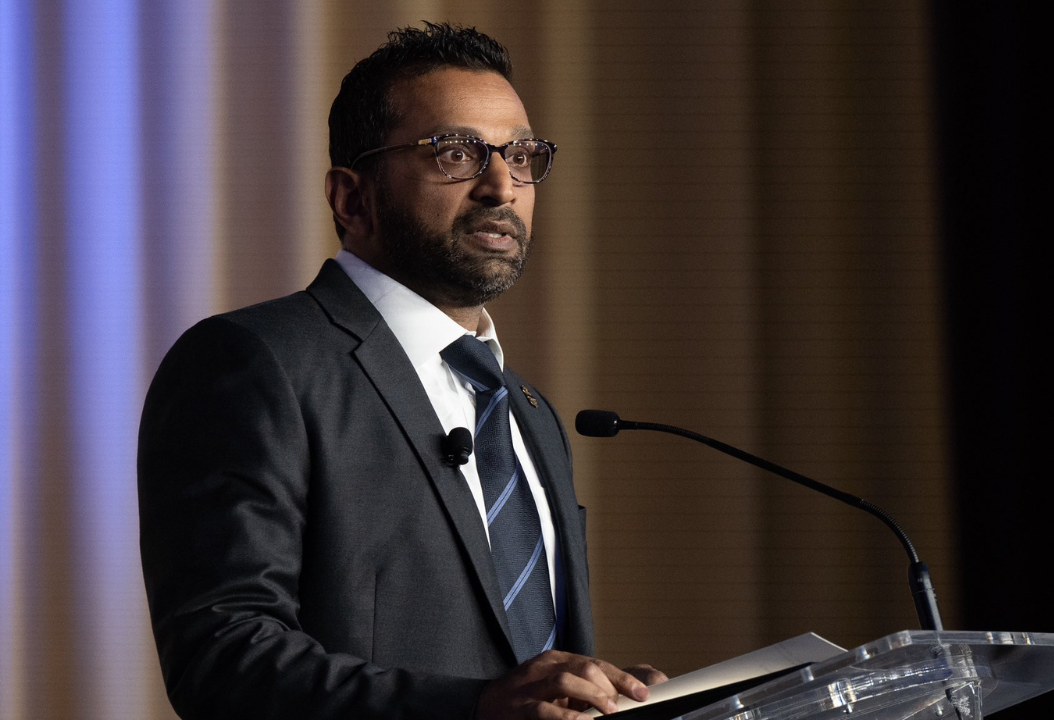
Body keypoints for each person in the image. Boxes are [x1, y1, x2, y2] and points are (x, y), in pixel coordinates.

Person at [138, 22, 664, 720]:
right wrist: (472, 709)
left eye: (520, 155)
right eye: (456, 153)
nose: (501, 186)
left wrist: (607, 700)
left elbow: (517, 668)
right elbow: (223, 658)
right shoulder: (254, 363)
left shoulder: (529, 413)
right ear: (352, 198)